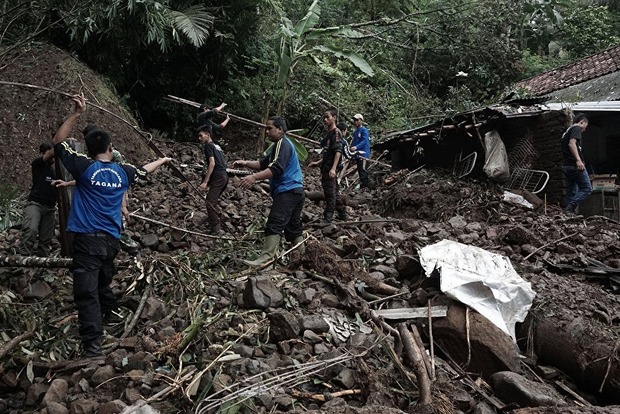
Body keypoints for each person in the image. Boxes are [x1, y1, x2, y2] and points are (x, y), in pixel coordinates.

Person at [53, 94, 172, 358]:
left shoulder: (83, 168)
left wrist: (75, 114)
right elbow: (144, 170)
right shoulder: (122, 171)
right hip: (111, 242)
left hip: (87, 241)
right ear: (111, 147)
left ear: (89, 149)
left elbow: (58, 142)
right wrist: (163, 161)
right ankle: (111, 314)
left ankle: (93, 347)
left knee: (86, 293)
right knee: (101, 282)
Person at [233, 116, 304, 266]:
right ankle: (303, 257)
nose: (267, 132)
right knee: (293, 227)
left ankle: (266, 258)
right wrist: (245, 163)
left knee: (275, 222)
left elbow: (277, 168)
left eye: (269, 128)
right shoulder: (277, 146)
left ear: (280, 129)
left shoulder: (283, 143)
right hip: (297, 192)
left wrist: (254, 178)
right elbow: (262, 163)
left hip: (288, 191)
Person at [18, 143, 73, 256]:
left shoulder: (54, 171)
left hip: (50, 208)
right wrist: (60, 144)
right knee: (31, 230)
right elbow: (49, 155)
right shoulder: (37, 165)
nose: (52, 158)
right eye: (49, 154)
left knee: (46, 236)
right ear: (42, 153)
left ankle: (43, 259)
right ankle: (23, 257)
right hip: (36, 204)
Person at [308, 108, 347, 222]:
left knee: (329, 193)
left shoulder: (336, 133)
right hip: (326, 166)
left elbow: (338, 151)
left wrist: (333, 168)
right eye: (324, 117)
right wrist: (318, 162)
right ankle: (342, 214)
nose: (325, 119)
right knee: (334, 191)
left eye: (327, 117)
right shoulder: (329, 134)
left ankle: (328, 217)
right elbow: (328, 153)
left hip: (330, 168)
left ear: (334, 118)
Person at [198, 124, 228, 234]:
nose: (199, 138)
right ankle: (216, 221)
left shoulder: (208, 146)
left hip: (219, 177)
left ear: (208, 135)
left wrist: (205, 182)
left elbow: (212, 163)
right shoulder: (216, 146)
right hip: (224, 176)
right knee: (213, 201)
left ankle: (216, 228)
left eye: (201, 136)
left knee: (209, 203)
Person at [561, 113, 592, 215]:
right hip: (574, 165)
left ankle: (567, 213)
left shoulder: (567, 132)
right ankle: (570, 208)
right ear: (582, 122)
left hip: (567, 165)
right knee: (587, 188)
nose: (584, 130)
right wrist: (578, 160)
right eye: (585, 126)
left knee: (571, 191)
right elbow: (572, 144)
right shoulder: (576, 128)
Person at [350, 113, 375, 189]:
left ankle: (370, 187)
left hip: (364, 154)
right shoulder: (356, 132)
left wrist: (356, 147)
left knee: (363, 172)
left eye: (357, 120)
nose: (355, 122)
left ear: (361, 120)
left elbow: (365, 141)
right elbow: (354, 142)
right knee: (361, 172)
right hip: (358, 154)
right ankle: (365, 187)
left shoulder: (364, 130)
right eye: (354, 120)